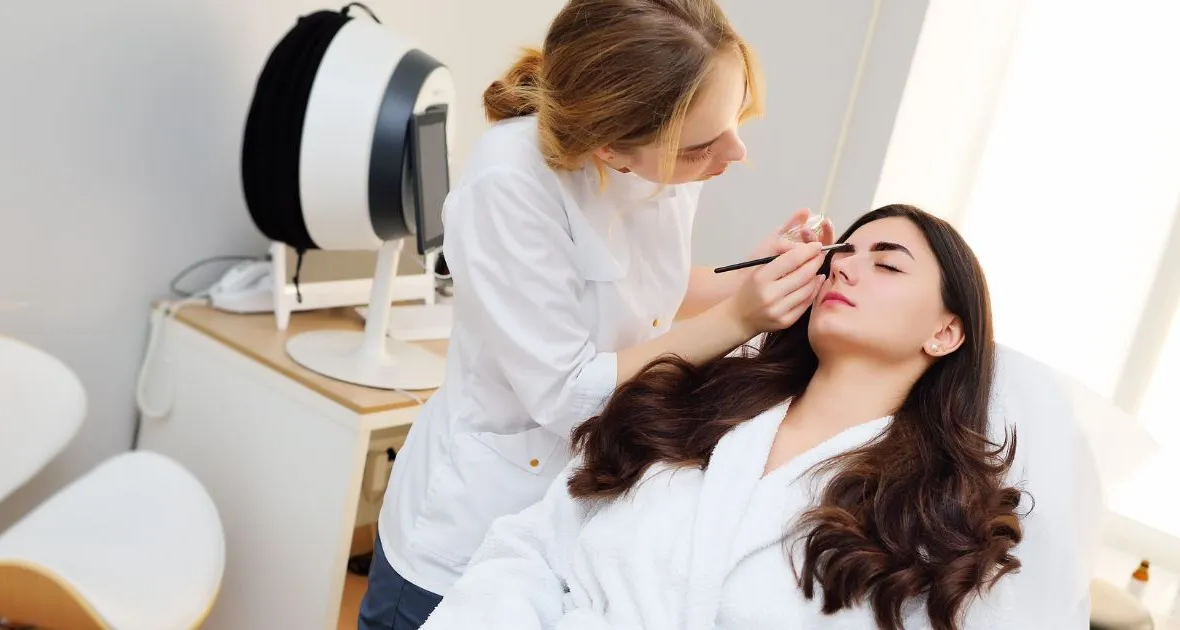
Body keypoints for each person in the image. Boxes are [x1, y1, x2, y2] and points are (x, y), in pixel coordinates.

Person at [358, 1, 839, 627]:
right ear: (612, 149)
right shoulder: (508, 184)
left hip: (578, 520)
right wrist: (741, 318)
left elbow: (647, 295)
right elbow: (567, 392)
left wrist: (748, 279)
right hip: (472, 529)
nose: (735, 151)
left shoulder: (664, 156)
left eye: (736, 116)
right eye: (702, 145)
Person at [419, 204, 1103, 629]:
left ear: (946, 332)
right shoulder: (690, 409)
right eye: (842, 256)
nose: (846, 271)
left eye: (887, 266)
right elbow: (534, 549)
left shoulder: (939, 516)